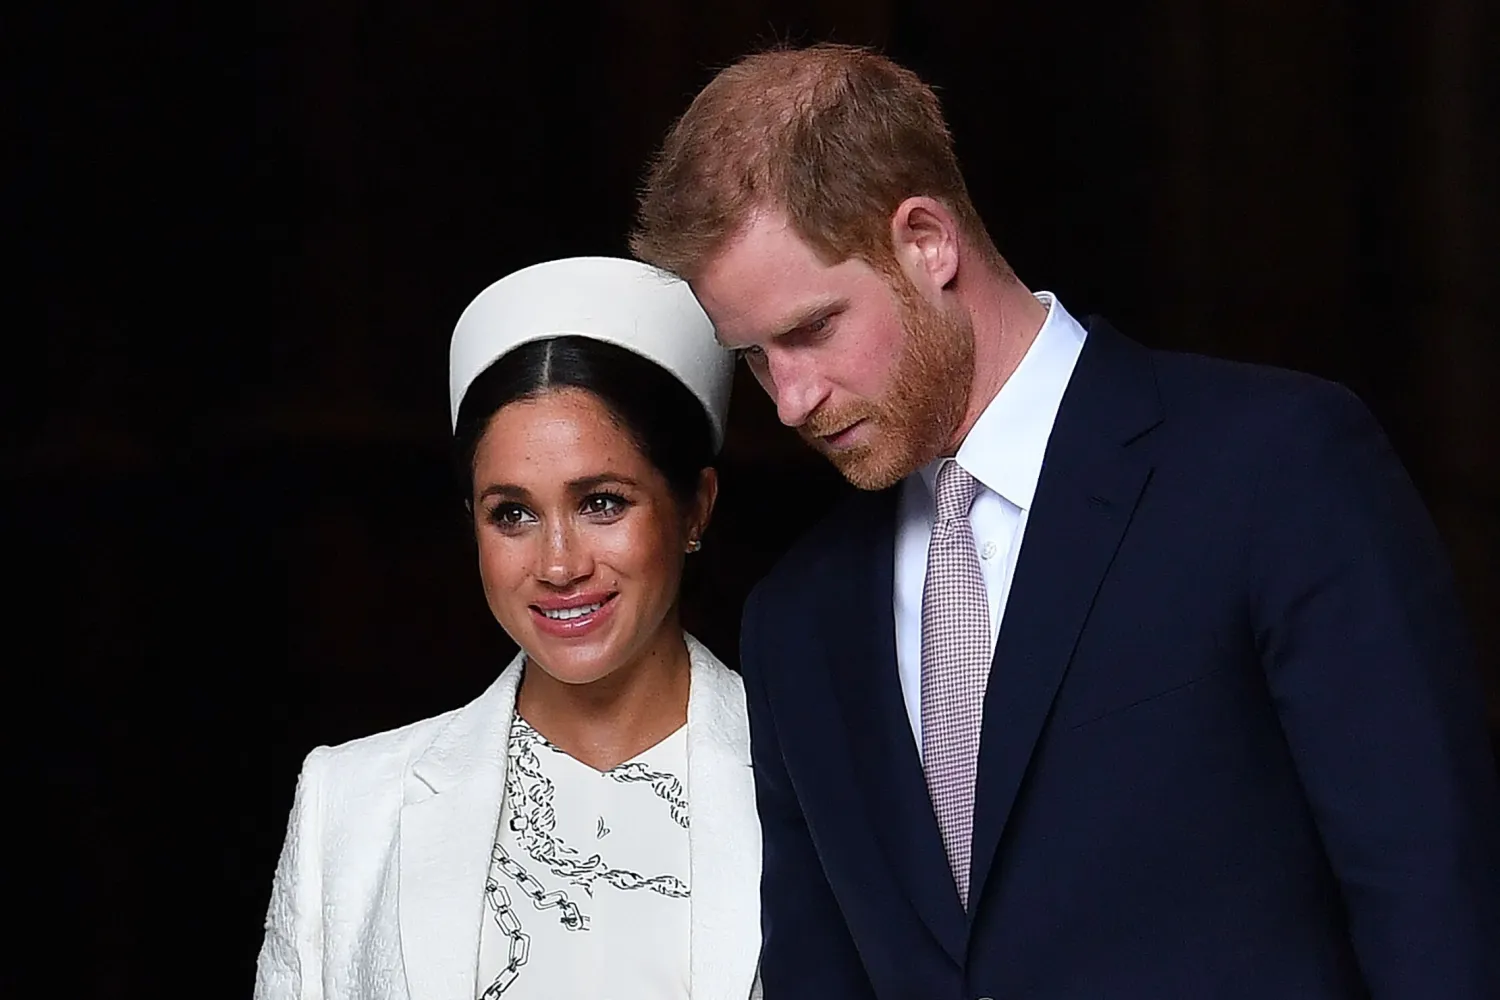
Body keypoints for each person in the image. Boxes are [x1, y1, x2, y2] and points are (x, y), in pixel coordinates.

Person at [630, 43, 1500, 999]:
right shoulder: (796, 620)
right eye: (755, 357)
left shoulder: (1273, 469)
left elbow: (1431, 896)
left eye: (810, 330)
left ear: (926, 239)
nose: (788, 400)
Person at [254, 257, 762, 1000]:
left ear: (695, 507)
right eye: (513, 514)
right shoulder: (352, 803)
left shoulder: (814, 783)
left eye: (603, 503)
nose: (558, 565)